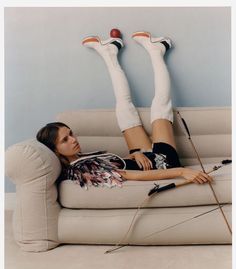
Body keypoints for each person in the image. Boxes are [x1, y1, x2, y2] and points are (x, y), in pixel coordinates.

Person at [36, 29, 213, 188]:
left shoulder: (80, 157)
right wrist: (182, 171)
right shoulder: (80, 169)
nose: (73, 140)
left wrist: (134, 155)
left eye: (70, 134)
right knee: (160, 104)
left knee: (123, 106)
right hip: (164, 162)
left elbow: (121, 165)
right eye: (65, 140)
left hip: (142, 157)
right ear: (55, 150)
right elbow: (131, 175)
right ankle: (158, 49)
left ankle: (110, 51)